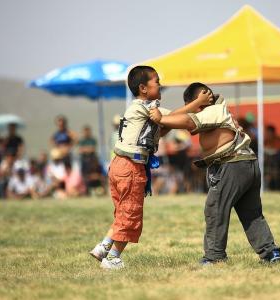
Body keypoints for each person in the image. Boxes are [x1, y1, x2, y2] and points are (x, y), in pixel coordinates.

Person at [89, 66, 212, 270]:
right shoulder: (141, 107)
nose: (160, 84)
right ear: (143, 88)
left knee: (122, 211)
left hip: (120, 165)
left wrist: (188, 112)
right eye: (156, 81)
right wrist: (197, 103)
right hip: (130, 167)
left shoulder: (145, 107)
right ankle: (112, 258)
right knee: (130, 213)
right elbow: (166, 119)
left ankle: (103, 247)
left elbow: (167, 121)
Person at [150, 82, 280, 264]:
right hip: (246, 163)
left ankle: (214, 256)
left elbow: (188, 121)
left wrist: (160, 119)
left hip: (232, 165)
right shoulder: (219, 110)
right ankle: (270, 252)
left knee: (215, 209)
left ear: (203, 100)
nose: (193, 110)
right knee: (251, 213)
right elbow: (185, 116)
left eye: (194, 105)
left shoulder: (213, 110)